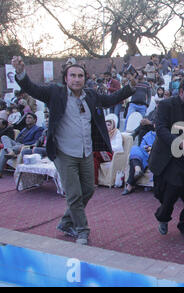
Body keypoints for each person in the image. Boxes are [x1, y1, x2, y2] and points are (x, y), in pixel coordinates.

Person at [11, 56, 136, 245]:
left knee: (88, 190)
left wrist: (129, 88)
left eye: (80, 76)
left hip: (86, 152)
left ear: (85, 79)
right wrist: (21, 73)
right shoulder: (55, 93)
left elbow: (110, 99)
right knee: (74, 194)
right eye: (73, 76)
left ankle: (65, 222)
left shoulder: (91, 96)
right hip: (64, 153)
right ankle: (82, 231)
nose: (77, 79)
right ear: (66, 78)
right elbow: (32, 89)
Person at [148, 77, 184, 242]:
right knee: (170, 193)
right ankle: (163, 217)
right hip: (169, 157)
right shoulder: (166, 105)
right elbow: (160, 128)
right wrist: (177, 142)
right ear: (181, 91)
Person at [0, 113, 44, 177]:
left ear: (35, 120)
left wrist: (23, 145)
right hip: (17, 144)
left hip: (25, 146)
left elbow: (36, 141)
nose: (27, 119)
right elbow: (17, 140)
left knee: (4, 150)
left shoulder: (38, 129)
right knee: (4, 137)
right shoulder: (24, 129)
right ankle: (11, 151)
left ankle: (0, 171)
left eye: (30, 118)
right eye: (26, 118)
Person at [122, 130, 156, 195]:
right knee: (135, 148)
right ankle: (137, 169)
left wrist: (150, 148)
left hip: (155, 155)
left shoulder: (164, 134)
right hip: (145, 154)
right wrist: (147, 148)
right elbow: (142, 146)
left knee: (134, 160)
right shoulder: (149, 134)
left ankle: (130, 185)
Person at [93, 118, 123, 185]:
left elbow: (119, 147)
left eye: (109, 125)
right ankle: (94, 182)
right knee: (94, 160)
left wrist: (107, 147)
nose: (107, 126)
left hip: (112, 154)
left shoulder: (116, 132)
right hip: (100, 153)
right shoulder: (102, 133)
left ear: (113, 126)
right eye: (105, 125)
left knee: (95, 153)